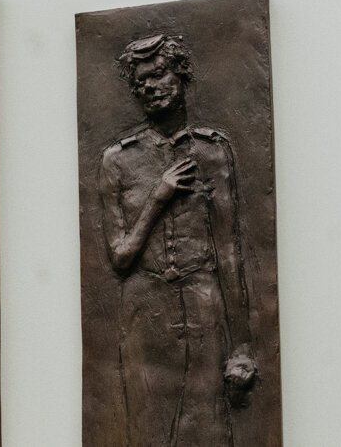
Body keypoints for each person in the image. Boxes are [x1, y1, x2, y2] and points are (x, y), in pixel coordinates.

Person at [98, 34, 257, 446]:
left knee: (207, 430)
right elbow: (119, 258)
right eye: (141, 83)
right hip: (144, 310)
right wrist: (158, 196)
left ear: (181, 75)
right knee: (145, 430)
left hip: (204, 306)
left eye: (158, 75)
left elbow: (230, 252)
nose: (150, 87)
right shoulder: (117, 159)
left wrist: (240, 347)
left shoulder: (213, 151)